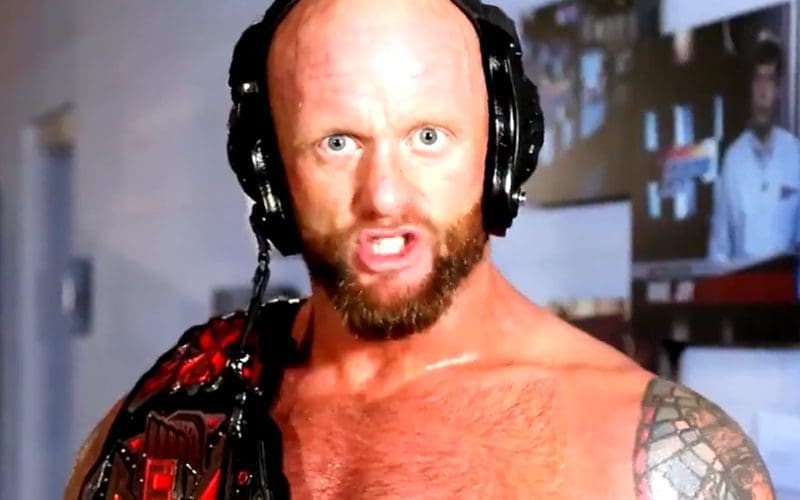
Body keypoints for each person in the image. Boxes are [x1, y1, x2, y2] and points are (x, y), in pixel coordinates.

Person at [66, 0, 774, 498]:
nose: (384, 196)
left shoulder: (655, 457)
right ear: (272, 176)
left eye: (428, 137)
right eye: (337, 143)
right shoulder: (175, 413)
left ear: (501, 155)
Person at [708, 37, 800, 261]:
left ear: (779, 90)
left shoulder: (795, 154)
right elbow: (719, 247)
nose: (762, 92)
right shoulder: (733, 159)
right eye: (757, 80)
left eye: (770, 81)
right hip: (744, 280)